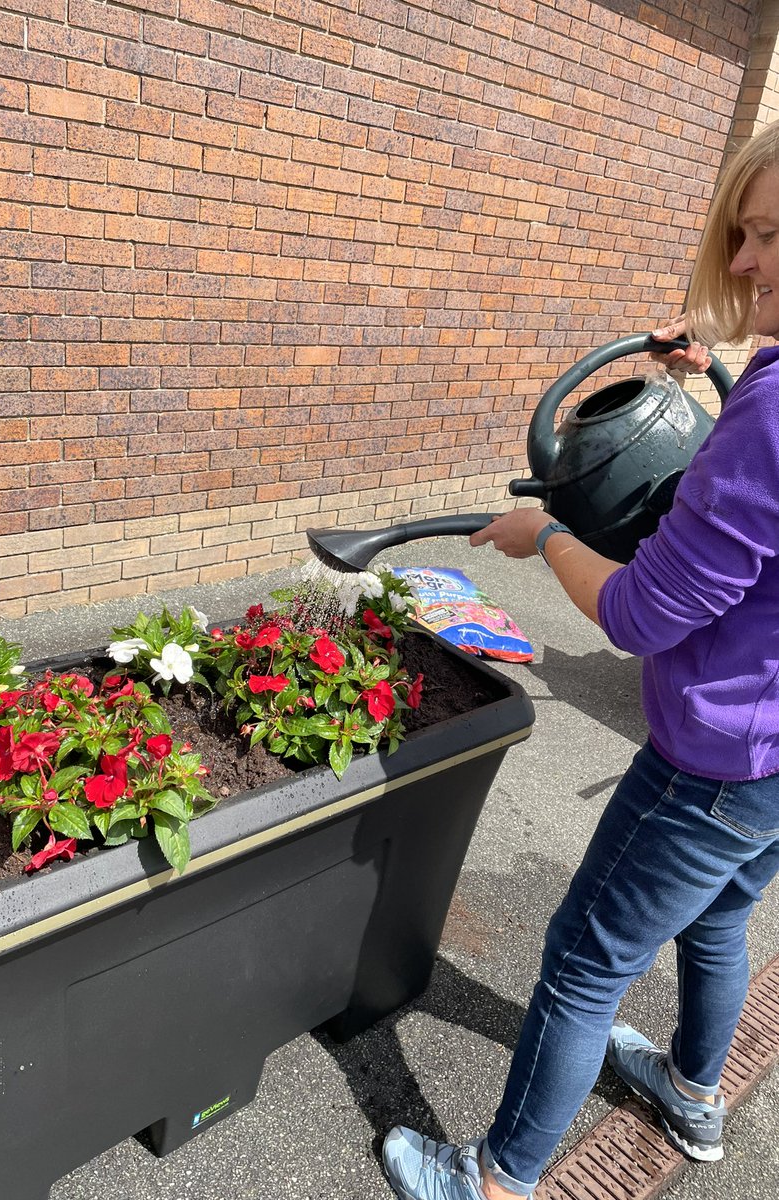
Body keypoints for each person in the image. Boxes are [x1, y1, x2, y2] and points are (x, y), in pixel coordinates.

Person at [382, 119, 779, 1200]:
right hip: (777, 758)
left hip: (716, 756)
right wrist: (719, 377)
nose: (743, 263)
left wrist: (545, 538)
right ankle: (694, 1094)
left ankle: (498, 1179)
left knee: (585, 961)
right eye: (744, 235)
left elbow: (645, 614)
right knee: (723, 917)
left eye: (772, 237)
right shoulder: (769, 385)